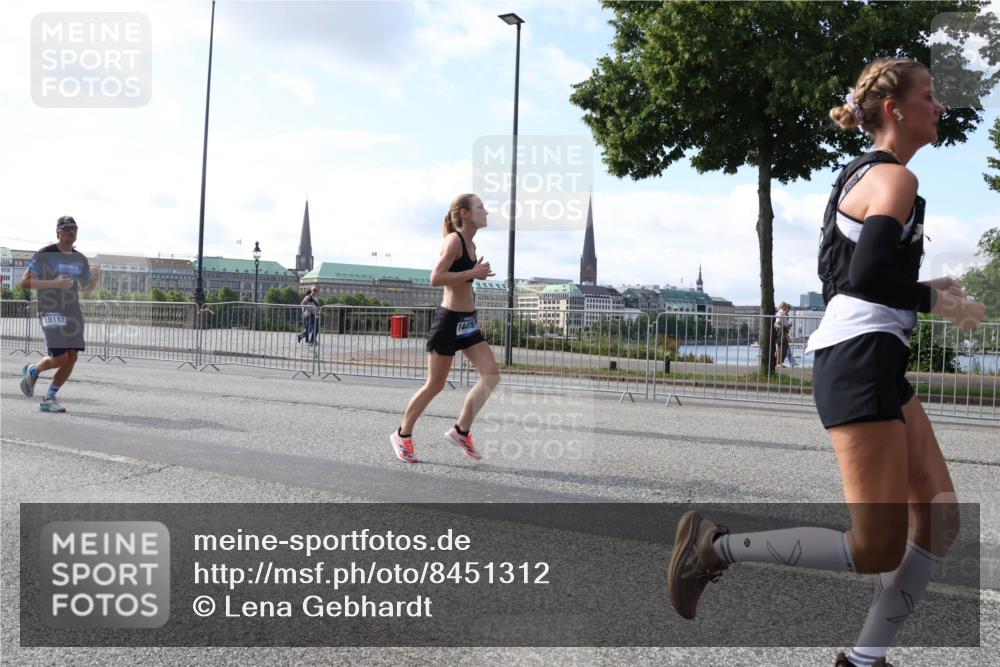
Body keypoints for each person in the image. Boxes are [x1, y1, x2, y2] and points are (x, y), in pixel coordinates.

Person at [666, 58, 986, 667]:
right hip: (859, 361)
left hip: (873, 357)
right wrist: (937, 301)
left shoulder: (860, 175)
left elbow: (844, 275)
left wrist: (931, 285)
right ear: (896, 110)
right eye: (931, 96)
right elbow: (867, 278)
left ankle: (864, 660)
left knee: (939, 518)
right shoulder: (895, 180)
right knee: (875, 548)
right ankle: (714, 548)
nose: (941, 107)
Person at [389, 193, 499, 463]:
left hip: (468, 323)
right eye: (480, 207)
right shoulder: (454, 241)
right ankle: (402, 434)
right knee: (435, 385)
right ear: (464, 213)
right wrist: (472, 273)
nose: (486, 212)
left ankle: (462, 431)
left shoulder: (471, 245)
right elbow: (436, 277)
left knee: (491, 376)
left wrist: (472, 272)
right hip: (449, 322)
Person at [18, 216, 101, 413]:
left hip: (73, 311)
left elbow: (87, 290)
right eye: (66, 228)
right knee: (60, 357)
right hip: (50, 309)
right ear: (58, 231)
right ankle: (33, 371)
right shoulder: (45, 254)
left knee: (72, 357)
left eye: (74, 228)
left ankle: (49, 398)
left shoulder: (80, 258)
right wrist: (54, 283)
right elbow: (24, 282)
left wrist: (96, 279)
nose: (71, 232)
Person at [774, 301, 796, 367]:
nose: (787, 309)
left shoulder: (782, 313)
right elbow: (778, 322)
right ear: (783, 306)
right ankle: (778, 363)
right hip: (781, 331)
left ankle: (779, 362)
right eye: (786, 307)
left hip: (783, 331)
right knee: (781, 348)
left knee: (783, 348)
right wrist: (787, 326)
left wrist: (787, 326)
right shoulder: (780, 313)